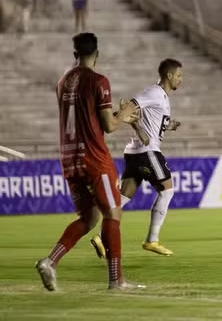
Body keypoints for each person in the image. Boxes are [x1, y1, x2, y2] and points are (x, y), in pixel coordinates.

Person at [35, 32, 144, 291]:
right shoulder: (99, 81)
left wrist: (118, 116)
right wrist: (125, 114)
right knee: (113, 213)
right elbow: (107, 125)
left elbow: (89, 119)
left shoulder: (63, 81)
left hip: (70, 158)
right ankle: (116, 280)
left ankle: (50, 261)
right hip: (94, 158)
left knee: (89, 216)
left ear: (75, 54)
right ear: (98, 53)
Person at [90, 59, 183, 257]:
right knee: (167, 190)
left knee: (122, 198)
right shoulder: (154, 93)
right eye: (179, 75)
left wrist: (169, 125)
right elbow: (132, 105)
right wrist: (117, 120)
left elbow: (152, 121)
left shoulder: (163, 97)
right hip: (147, 151)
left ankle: (100, 237)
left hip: (134, 152)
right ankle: (152, 240)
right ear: (169, 76)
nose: (180, 79)